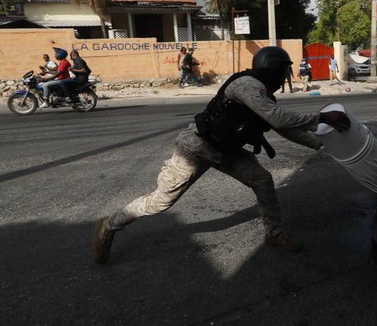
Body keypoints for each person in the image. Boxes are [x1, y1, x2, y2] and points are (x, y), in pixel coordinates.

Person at [91, 46, 351, 264]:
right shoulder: (247, 85)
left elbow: (282, 127)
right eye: (284, 71)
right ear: (273, 69)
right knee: (161, 202)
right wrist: (322, 117)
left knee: (261, 179)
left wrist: (322, 146)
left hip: (226, 150)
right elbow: (278, 118)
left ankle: (274, 232)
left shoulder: (262, 94)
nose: (285, 77)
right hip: (195, 148)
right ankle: (110, 225)